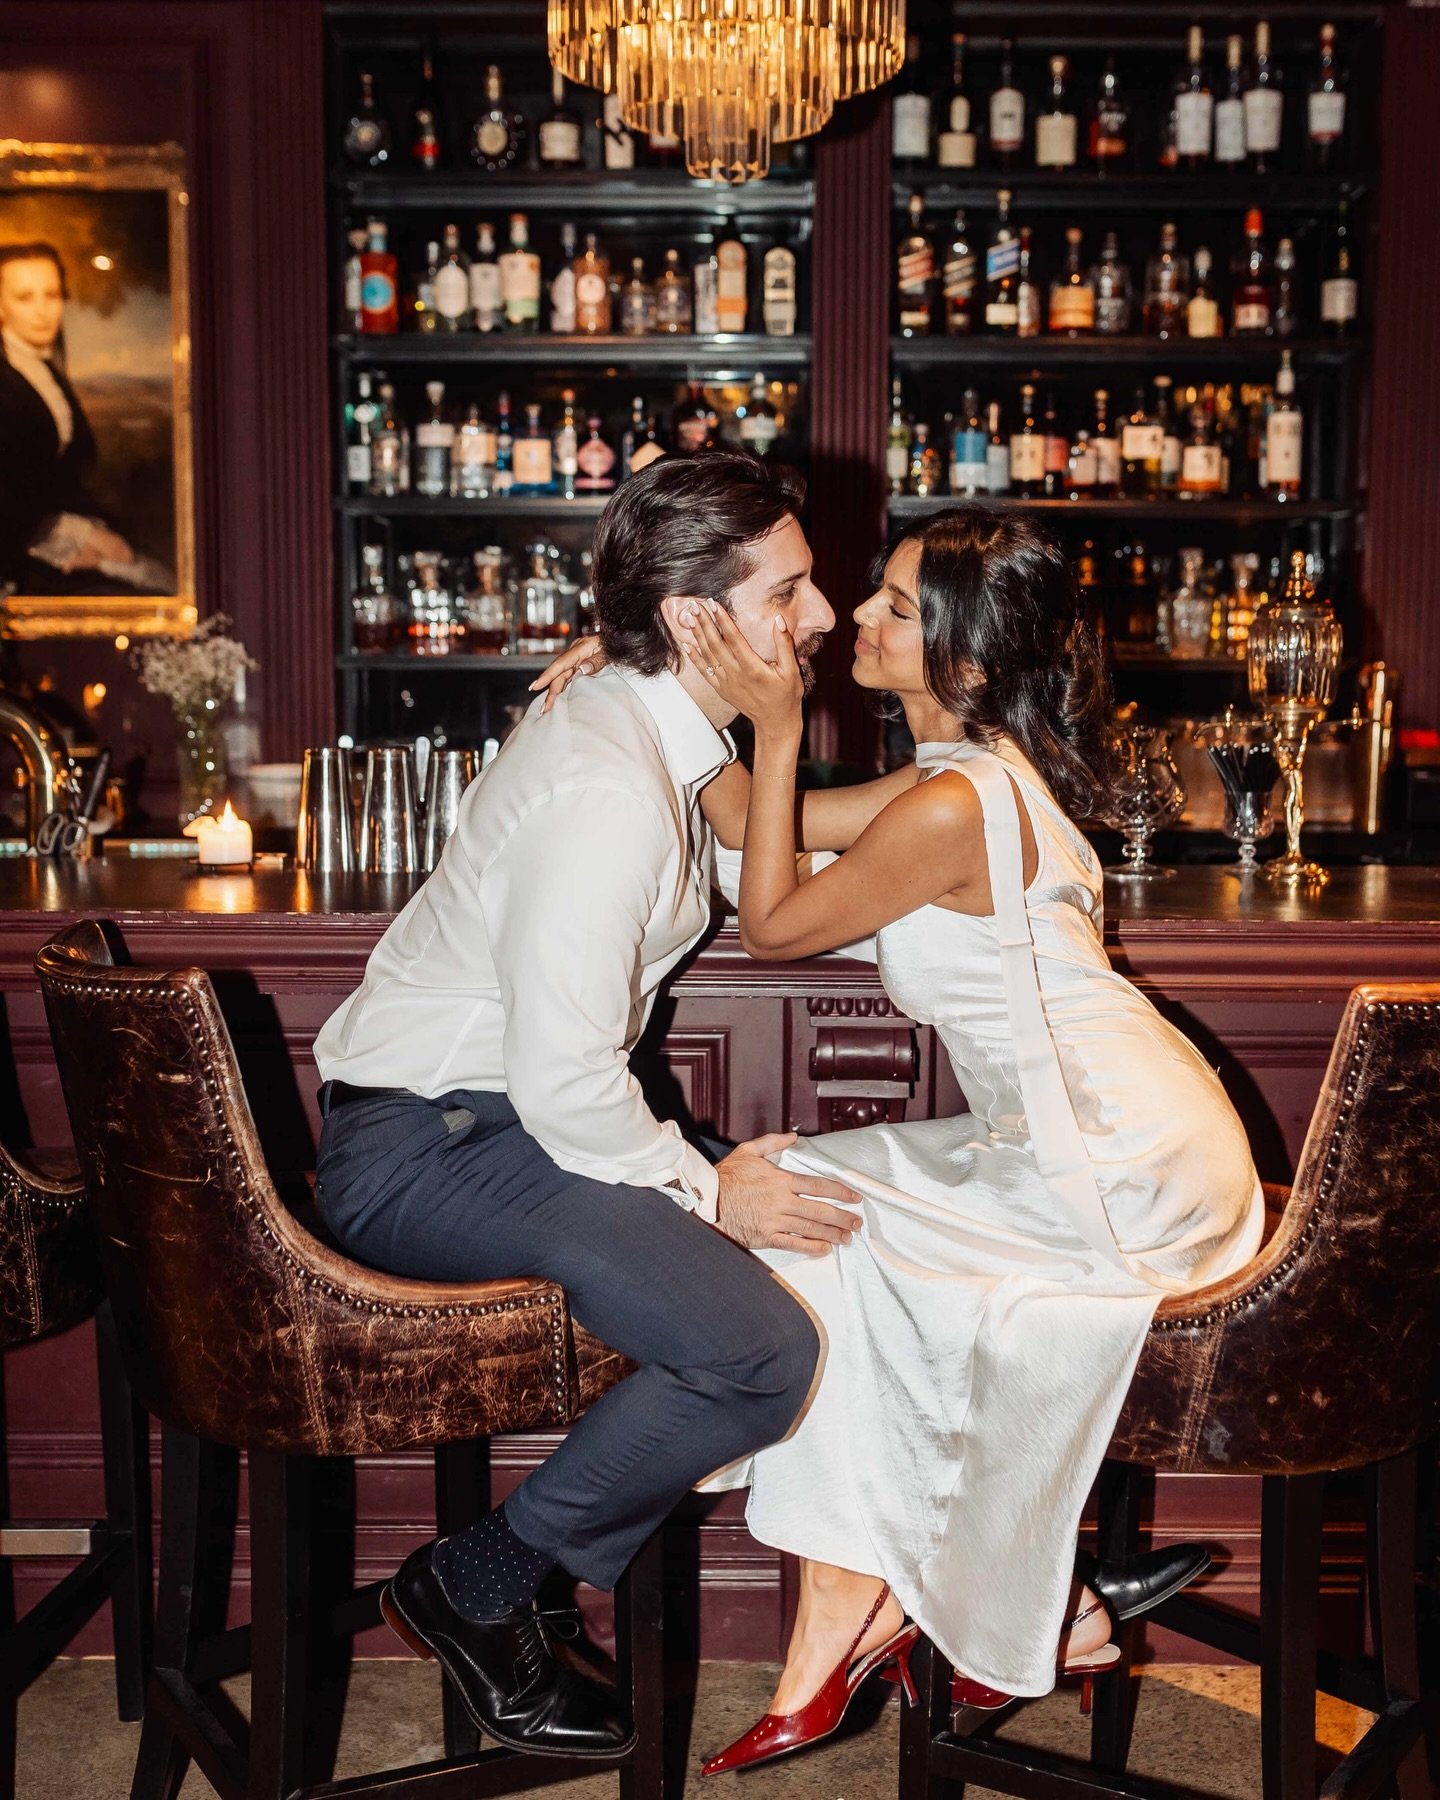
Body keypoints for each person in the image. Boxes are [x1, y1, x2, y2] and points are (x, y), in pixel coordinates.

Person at [540, 504, 1265, 1775]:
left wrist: (775, 726)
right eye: (869, 594)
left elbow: (769, 921)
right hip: (1082, 1134)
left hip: (1114, 1165)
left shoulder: (955, 806)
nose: (854, 619)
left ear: (969, 663)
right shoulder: (955, 783)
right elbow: (737, 814)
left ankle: (879, 1613)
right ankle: (949, 1602)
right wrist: (642, 669)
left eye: (892, 606)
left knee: (807, 1210)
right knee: (807, 1201)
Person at [311, 449, 865, 1758]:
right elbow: (566, 1077)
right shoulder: (610, 780)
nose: (824, 615)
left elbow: (761, 865)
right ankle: (481, 1583)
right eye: (790, 591)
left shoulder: (648, 725)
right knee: (757, 1349)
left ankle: (891, 1594)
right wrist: (710, 1183)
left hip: (498, 1122)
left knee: (846, 1221)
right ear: (694, 620)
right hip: (430, 1142)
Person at [0, 241, 165, 594]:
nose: (43, 311)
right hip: (16, 554)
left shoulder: (45, 370)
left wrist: (98, 530)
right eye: (24, 298)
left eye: (52, 294)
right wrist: (61, 535)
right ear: (1, 305)